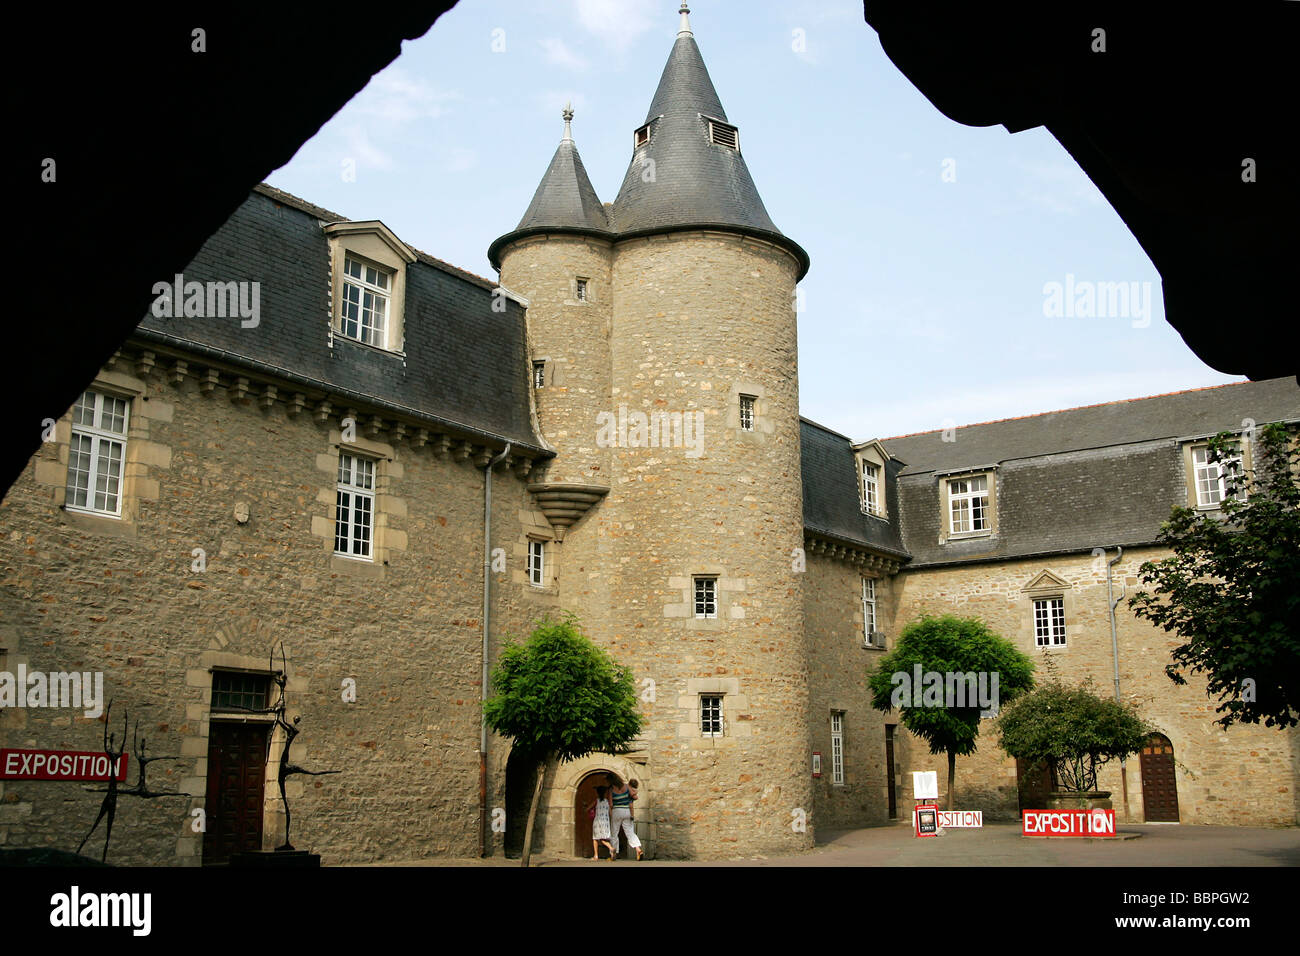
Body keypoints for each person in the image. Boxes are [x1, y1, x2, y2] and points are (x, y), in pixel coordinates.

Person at [608, 774, 643, 860]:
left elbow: (611, 804)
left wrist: (610, 813)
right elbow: (634, 796)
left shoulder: (611, 789)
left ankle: (614, 854)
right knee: (630, 832)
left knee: (614, 833)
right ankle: (638, 850)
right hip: (627, 811)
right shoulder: (627, 786)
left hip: (616, 811)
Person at [587, 785, 614, 860]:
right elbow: (610, 813)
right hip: (606, 822)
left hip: (598, 821)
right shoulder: (607, 802)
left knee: (595, 838)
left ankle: (596, 855)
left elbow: (588, 808)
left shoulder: (597, 801)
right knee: (604, 838)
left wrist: (588, 808)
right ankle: (611, 850)